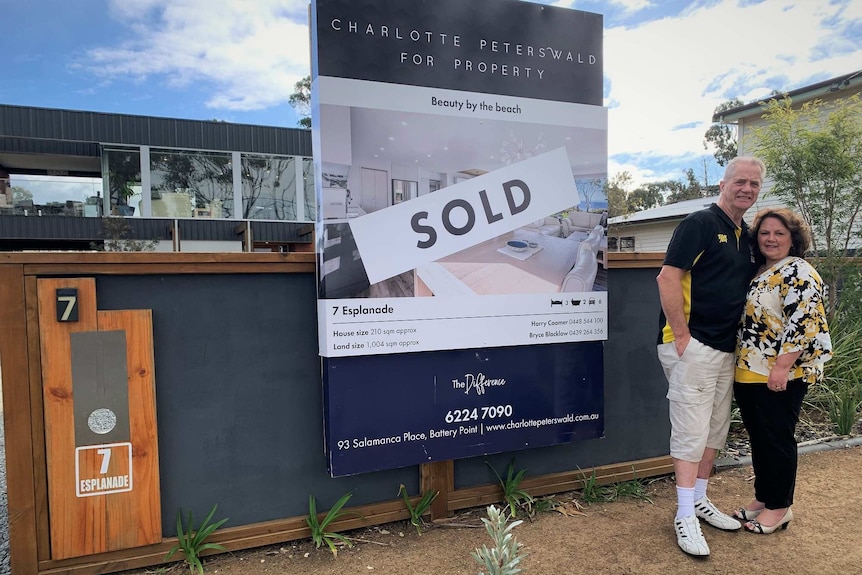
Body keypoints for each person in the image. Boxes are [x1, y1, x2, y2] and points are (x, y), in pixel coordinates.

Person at [655, 156, 763, 556]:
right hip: (693, 345)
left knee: (715, 429)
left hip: (726, 348)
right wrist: (682, 336)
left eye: (754, 184)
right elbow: (667, 277)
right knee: (690, 430)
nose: (746, 189)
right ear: (723, 183)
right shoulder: (700, 223)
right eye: (740, 181)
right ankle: (684, 514)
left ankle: (699, 498)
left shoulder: (746, 234)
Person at [732, 208, 832, 534]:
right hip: (749, 369)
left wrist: (782, 367)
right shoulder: (761, 270)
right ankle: (764, 497)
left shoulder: (797, 271)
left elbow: (805, 322)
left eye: (779, 233)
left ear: (793, 238)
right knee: (760, 439)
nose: (770, 239)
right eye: (765, 233)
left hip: (780, 372)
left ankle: (780, 507)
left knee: (777, 439)